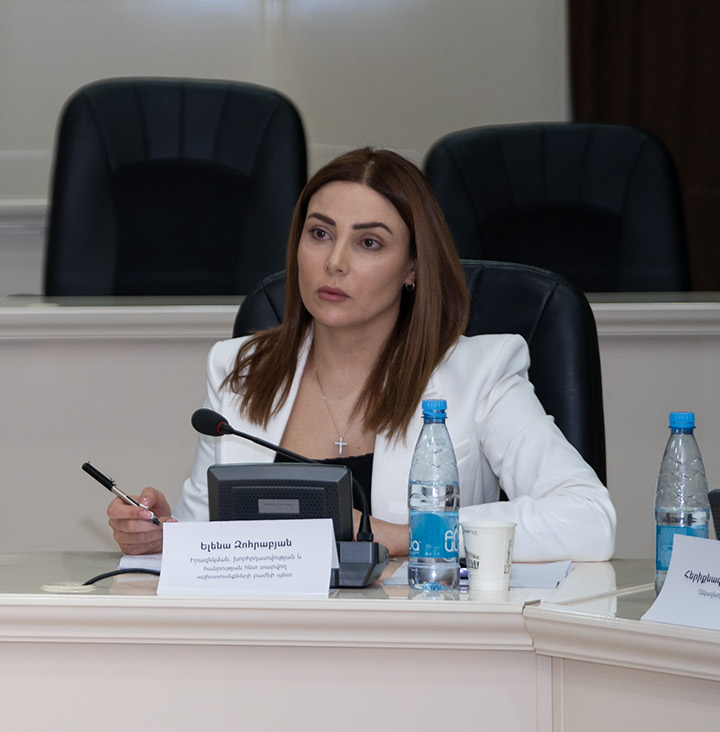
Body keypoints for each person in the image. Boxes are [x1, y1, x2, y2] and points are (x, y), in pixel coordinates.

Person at [107, 148, 615, 563]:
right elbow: (209, 542)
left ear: (413, 267)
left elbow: (590, 520)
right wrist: (162, 535)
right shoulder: (240, 370)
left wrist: (399, 535)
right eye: (320, 234)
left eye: (369, 242)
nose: (335, 262)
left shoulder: (480, 373)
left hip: (421, 641)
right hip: (270, 638)